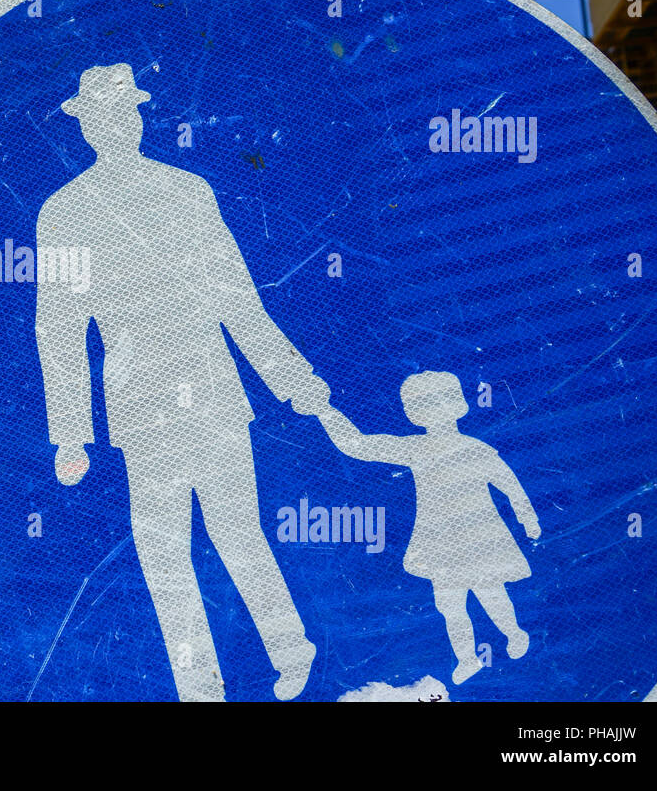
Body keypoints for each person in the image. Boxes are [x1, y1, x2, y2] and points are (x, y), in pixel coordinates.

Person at [34, 63, 327, 701]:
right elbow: (58, 329)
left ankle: (290, 648)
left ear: (140, 118)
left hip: (213, 389)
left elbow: (237, 298)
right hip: (141, 410)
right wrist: (70, 435)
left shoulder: (188, 191)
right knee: (164, 552)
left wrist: (293, 379)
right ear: (87, 129)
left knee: (237, 531)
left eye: (128, 113)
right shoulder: (63, 214)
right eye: (106, 118)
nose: (120, 126)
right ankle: (200, 687)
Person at [306, 370, 540, 684]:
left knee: (490, 592)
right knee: (449, 604)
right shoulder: (416, 448)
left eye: (440, 400)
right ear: (412, 412)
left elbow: (510, 485)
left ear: (458, 403)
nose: (433, 409)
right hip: (441, 543)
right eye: (422, 403)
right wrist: (326, 412)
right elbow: (358, 446)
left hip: (479, 536)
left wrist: (529, 518)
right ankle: (467, 658)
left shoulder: (475, 449)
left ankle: (514, 634)